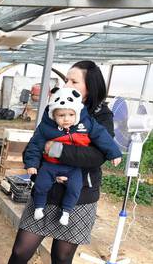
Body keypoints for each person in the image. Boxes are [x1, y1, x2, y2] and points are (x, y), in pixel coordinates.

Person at [0, 60, 119, 264]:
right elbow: (36, 142)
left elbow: (96, 156)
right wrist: (43, 159)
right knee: (22, 249)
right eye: (67, 80)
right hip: (47, 190)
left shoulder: (101, 116)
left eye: (73, 81)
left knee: (62, 256)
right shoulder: (53, 107)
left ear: (89, 87)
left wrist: (53, 151)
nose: (66, 85)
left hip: (80, 197)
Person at [24, 87, 122, 226]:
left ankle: (66, 211)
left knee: (75, 187)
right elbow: (34, 145)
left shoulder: (87, 123)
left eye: (71, 115)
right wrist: (32, 163)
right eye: (61, 115)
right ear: (53, 115)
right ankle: (39, 207)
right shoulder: (46, 127)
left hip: (73, 167)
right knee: (41, 184)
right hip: (50, 165)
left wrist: (114, 152)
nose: (66, 119)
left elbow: (102, 136)